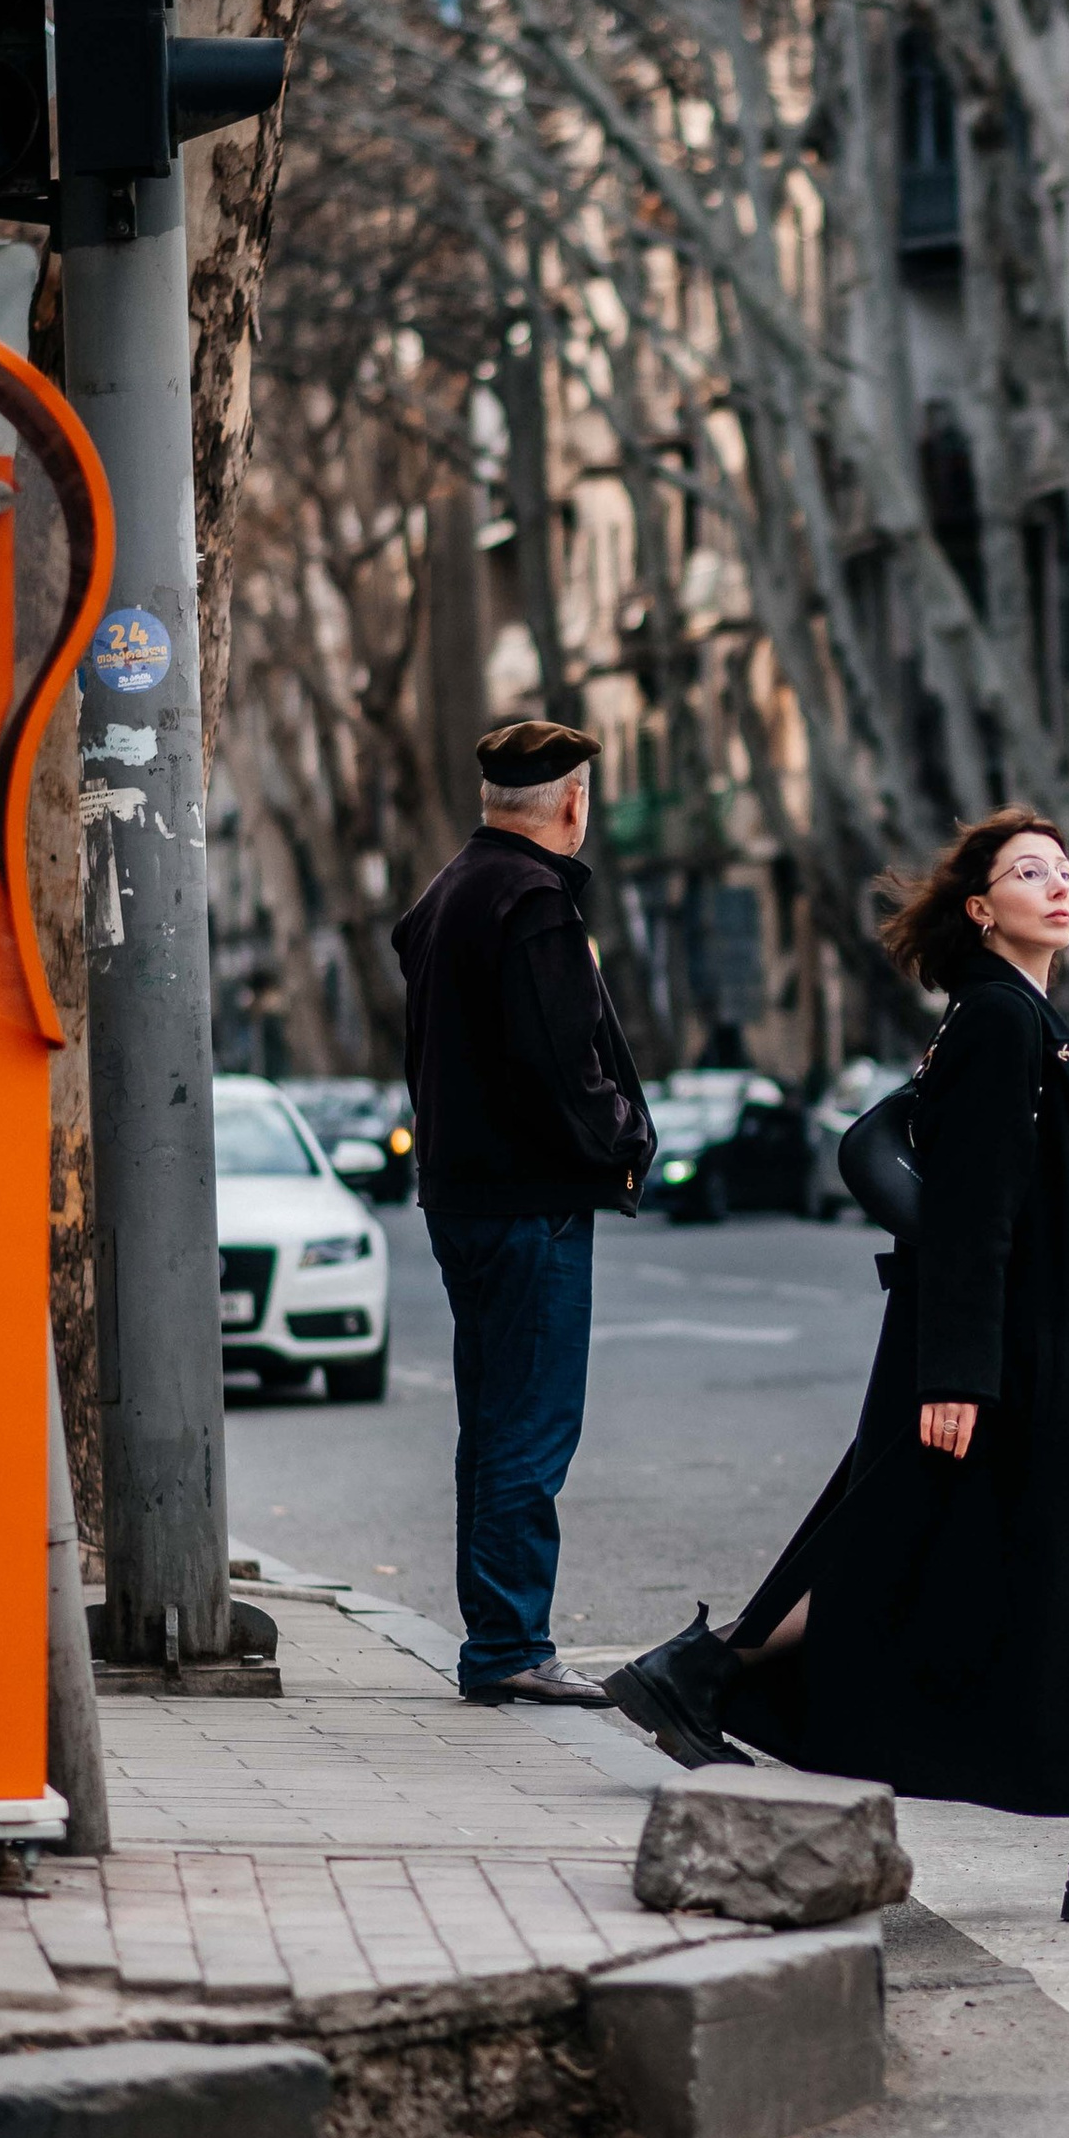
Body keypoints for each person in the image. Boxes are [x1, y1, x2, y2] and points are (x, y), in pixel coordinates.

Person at [604, 807, 1069, 1922]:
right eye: (1027, 873)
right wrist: (958, 1370)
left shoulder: (1016, 1017)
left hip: (1041, 1343)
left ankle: (707, 1672)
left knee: (906, 1542)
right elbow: (971, 1211)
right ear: (979, 908)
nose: (1059, 887)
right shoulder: (1002, 1020)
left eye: (1065, 869)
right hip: (1029, 1353)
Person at [393, 720, 655, 1707]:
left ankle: (499, 1637)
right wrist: (623, 1139)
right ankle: (509, 1642)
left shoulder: (451, 890)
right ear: (573, 804)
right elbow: (564, 1064)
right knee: (530, 1428)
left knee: (493, 1422)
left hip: (463, 1195)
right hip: (530, 1204)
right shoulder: (534, 902)